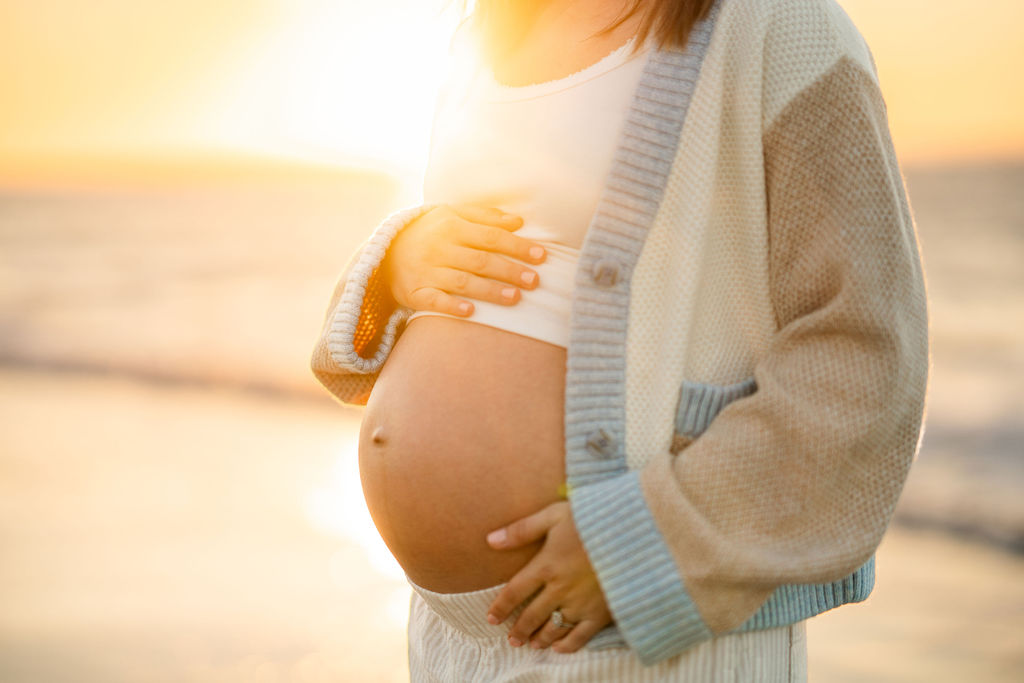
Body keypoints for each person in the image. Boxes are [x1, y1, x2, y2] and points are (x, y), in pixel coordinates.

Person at [310, 0, 930, 680]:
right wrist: (402, 259)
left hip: (638, 636)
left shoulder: (783, 27)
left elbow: (866, 355)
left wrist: (644, 542)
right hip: (456, 643)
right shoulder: (484, 31)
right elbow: (505, 249)